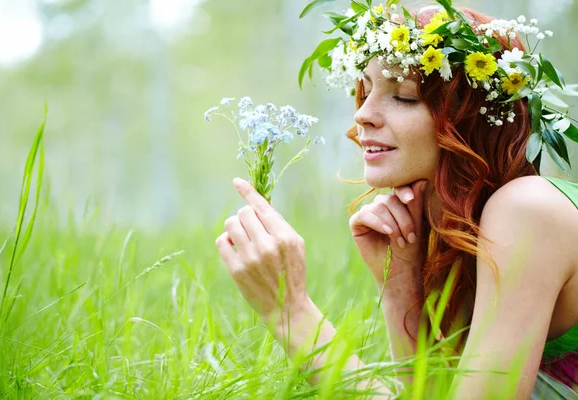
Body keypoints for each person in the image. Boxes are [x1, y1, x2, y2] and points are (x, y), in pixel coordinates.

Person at [215, 2, 578, 399]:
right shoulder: (457, 237)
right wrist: (400, 286)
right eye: (366, 90)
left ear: (471, 118)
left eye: (404, 96)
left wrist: (291, 314)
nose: (363, 116)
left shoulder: (527, 209)